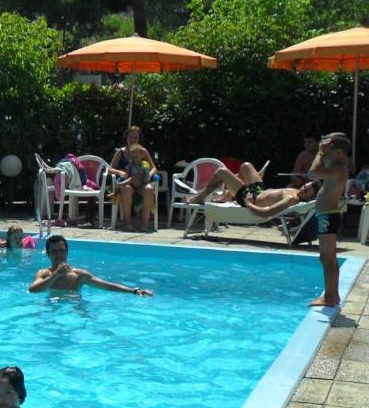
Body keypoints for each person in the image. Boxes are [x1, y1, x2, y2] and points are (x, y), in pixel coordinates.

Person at [306, 133, 350, 307]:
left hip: (328, 216)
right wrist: (328, 144)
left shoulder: (339, 169)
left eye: (329, 151)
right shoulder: (337, 166)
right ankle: (333, 295)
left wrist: (320, 153)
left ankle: (330, 297)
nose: (324, 153)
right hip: (327, 216)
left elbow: (311, 173)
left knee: (327, 258)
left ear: (338, 152)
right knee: (329, 257)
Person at [185, 161, 319, 218]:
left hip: (252, 198)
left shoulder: (291, 199)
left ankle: (200, 197)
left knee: (222, 172)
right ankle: (228, 195)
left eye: (306, 192)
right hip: (260, 190)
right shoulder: (296, 191)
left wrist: (248, 203)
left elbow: (266, 213)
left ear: (310, 198)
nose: (303, 189)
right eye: (305, 186)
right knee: (246, 166)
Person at [29, 235, 153, 296]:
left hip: (74, 310)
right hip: (52, 311)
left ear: (67, 252)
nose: (59, 255)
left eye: (62, 250)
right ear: (48, 255)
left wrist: (134, 291)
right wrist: (55, 275)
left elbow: (108, 286)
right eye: (54, 251)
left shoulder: (79, 275)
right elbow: (33, 290)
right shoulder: (44, 274)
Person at [108, 126, 158, 231]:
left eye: (136, 137)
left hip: (141, 183)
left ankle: (144, 224)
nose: (133, 139)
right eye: (130, 136)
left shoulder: (142, 151)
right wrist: (119, 172)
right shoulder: (121, 152)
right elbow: (110, 169)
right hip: (128, 183)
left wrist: (149, 175)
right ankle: (127, 222)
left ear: (139, 138)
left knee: (149, 189)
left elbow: (153, 168)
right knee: (126, 189)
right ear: (126, 137)